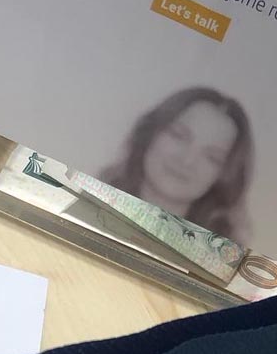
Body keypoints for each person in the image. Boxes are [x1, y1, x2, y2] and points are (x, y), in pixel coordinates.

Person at [102, 87, 254, 241]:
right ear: (150, 133)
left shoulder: (220, 254)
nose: (187, 160)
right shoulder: (92, 205)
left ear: (224, 176)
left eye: (212, 157)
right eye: (179, 135)